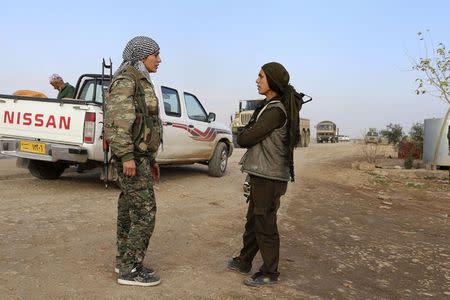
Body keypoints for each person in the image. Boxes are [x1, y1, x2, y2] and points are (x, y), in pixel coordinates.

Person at [228, 62, 304, 286]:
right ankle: (244, 261)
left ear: (273, 80)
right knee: (254, 220)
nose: (257, 80)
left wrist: (243, 133)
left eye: (261, 76)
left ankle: (270, 272)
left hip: (269, 177)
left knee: (265, 224)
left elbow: (246, 139)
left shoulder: (274, 111)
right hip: (262, 175)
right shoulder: (269, 106)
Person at [104, 36, 162, 287]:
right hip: (132, 159)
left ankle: (124, 261)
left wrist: (152, 158)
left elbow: (146, 123)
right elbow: (118, 122)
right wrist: (127, 156)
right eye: (156, 54)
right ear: (141, 56)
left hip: (141, 158)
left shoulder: (140, 79)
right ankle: (131, 270)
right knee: (144, 213)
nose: (160, 60)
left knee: (129, 211)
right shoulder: (127, 79)